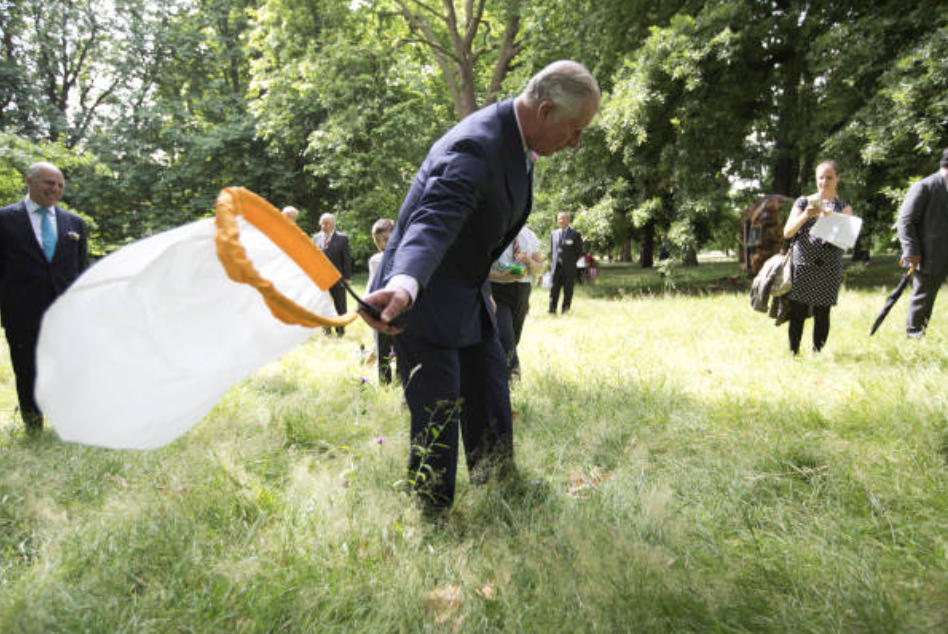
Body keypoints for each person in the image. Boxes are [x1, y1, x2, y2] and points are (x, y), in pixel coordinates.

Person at [359, 60, 600, 513]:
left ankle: (500, 494)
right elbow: (433, 222)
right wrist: (405, 284)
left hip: (468, 292)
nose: (575, 142)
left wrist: (484, 284)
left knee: (491, 389)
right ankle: (432, 516)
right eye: (573, 129)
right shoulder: (476, 146)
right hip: (422, 295)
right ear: (546, 111)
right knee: (439, 408)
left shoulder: (518, 141)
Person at [0, 162, 88, 432]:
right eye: (50, 183)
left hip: (65, 311)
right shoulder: (4, 220)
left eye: (60, 185)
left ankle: (69, 422)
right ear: (29, 181)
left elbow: (80, 270)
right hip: (22, 310)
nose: (56, 189)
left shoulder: (75, 223)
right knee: (27, 369)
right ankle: (33, 425)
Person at [782, 159, 853, 355]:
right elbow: (787, 232)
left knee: (823, 312)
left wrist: (829, 219)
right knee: (798, 311)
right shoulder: (804, 202)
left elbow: (844, 240)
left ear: (837, 179)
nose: (824, 182)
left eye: (829, 177)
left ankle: (817, 352)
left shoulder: (843, 207)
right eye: (820, 178)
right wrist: (806, 215)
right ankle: (793, 352)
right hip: (803, 264)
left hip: (829, 266)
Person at [897, 148, 948, 338]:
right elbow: (905, 221)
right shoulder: (924, 186)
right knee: (922, 301)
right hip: (928, 256)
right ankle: (914, 336)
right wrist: (912, 252)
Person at [489, 224, 544, 380]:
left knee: (514, 338)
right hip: (498, 290)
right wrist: (502, 276)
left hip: (522, 291)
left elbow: (539, 268)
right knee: (506, 337)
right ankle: (514, 379)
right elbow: (481, 269)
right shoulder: (494, 233)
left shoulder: (529, 235)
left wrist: (529, 262)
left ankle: (498, 371)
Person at [312, 212, 352, 336]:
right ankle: (326, 330)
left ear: (333, 224)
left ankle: (340, 330)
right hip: (321, 278)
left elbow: (346, 259)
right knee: (324, 303)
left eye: (327, 223)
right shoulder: (316, 238)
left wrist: (347, 277)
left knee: (339, 303)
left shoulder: (342, 238)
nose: (324, 226)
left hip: (337, 278)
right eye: (322, 223)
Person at [367, 218, 395, 384]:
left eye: (385, 239)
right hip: (379, 310)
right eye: (377, 241)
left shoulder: (404, 256)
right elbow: (372, 283)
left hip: (400, 308)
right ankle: (384, 382)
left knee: (401, 347)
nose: (381, 244)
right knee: (382, 347)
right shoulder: (375, 260)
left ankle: (402, 379)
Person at [548, 211, 584, 314]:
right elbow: (552, 251)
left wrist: (570, 262)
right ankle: (551, 310)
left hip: (569, 268)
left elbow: (579, 252)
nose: (561, 221)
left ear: (568, 220)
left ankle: (565, 311)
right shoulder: (553, 234)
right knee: (553, 290)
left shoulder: (575, 234)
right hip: (556, 268)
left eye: (563, 218)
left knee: (568, 291)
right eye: (559, 219)